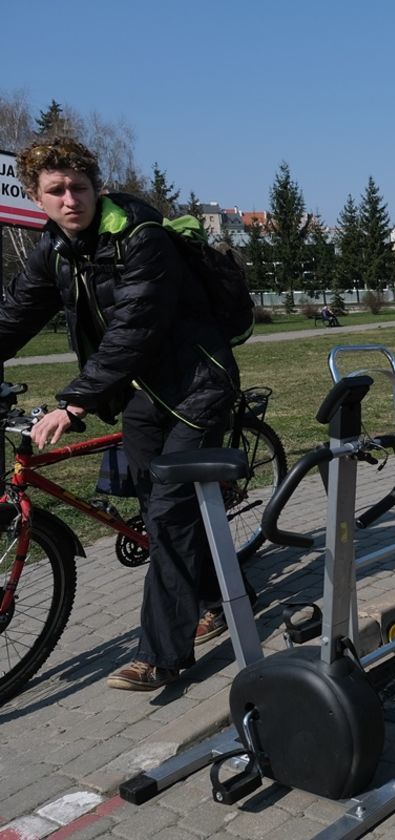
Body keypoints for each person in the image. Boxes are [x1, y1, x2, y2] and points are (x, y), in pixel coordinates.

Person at [2, 136, 241, 691]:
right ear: (37, 198)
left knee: (169, 515)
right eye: (55, 191)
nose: (69, 200)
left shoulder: (141, 236)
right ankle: (217, 596)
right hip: (141, 394)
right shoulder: (55, 247)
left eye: (78, 188)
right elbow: (16, 313)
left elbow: (138, 323)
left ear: (96, 188)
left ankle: (161, 656)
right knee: (163, 509)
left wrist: (76, 399)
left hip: (196, 385)